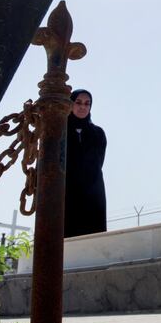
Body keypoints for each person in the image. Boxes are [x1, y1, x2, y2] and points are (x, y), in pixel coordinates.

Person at [64, 88, 107, 238]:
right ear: (70, 104)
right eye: (78, 102)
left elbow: (99, 162)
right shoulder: (60, 131)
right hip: (67, 191)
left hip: (93, 191)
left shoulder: (98, 133)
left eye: (87, 103)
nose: (83, 107)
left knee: (93, 235)